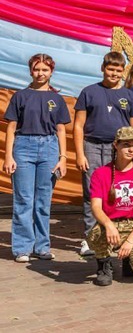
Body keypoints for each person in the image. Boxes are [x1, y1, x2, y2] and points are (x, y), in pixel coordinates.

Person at [3, 54, 70, 263]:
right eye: (36, 69)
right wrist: (8, 156)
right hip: (23, 147)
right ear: (30, 71)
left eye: (45, 70)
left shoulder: (57, 99)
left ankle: (42, 246)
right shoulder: (20, 96)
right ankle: (22, 248)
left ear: (51, 71)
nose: (40, 73)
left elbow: (61, 130)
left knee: (43, 201)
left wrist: (63, 157)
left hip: (49, 148)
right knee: (23, 199)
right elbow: (11, 128)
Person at [74, 51, 133, 257]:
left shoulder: (129, 95)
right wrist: (79, 154)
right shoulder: (89, 91)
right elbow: (78, 125)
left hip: (119, 150)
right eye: (110, 69)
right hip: (92, 146)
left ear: (123, 72)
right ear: (103, 68)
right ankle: (90, 238)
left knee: (118, 191)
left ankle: (115, 236)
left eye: (118, 70)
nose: (114, 73)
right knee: (92, 193)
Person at [87, 127, 133, 286]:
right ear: (115, 145)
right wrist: (108, 225)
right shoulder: (101, 173)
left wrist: (131, 240)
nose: (131, 150)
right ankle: (104, 264)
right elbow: (96, 207)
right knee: (96, 234)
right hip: (111, 224)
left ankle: (129, 259)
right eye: (126, 144)